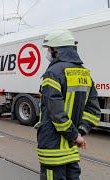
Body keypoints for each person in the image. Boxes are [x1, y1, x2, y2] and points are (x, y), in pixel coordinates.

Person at [37, 29, 101, 180]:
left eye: (49, 49)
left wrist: (74, 135)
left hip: (53, 148)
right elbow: (93, 111)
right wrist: (79, 133)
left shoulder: (53, 73)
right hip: (71, 149)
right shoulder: (85, 74)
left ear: (57, 51)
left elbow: (56, 113)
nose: (48, 53)